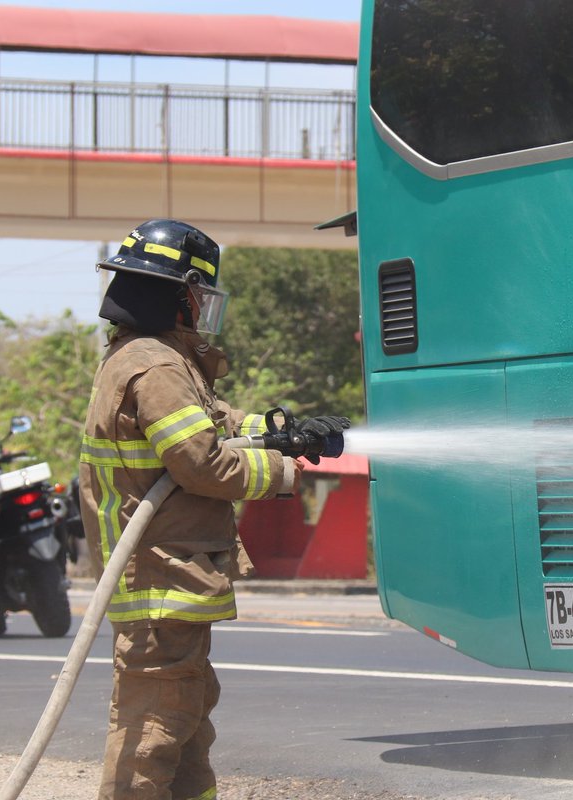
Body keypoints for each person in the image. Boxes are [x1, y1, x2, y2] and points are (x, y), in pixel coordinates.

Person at [79, 218, 348, 800]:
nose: (201, 308)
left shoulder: (151, 359)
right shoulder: (155, 367)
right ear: (178, 296)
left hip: (168, 570)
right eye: (197, 295)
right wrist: (280, 470)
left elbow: (214, 420)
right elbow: (200, 462)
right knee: (155, 724)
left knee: (186, 718)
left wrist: (284, 433)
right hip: (160, 573)